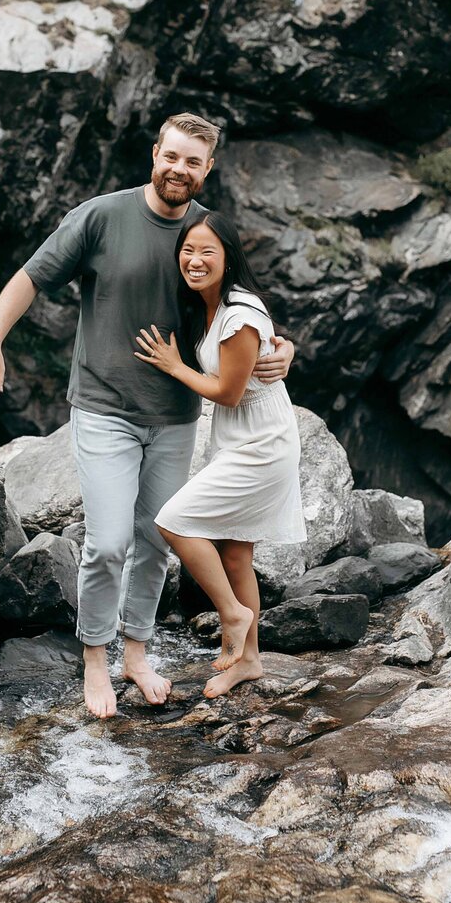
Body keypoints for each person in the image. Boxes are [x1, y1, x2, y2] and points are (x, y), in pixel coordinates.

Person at [0, 114, 294, 719]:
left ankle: (136, 654)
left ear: (206, 170)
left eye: (193, 162)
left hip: (175, 416)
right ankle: (95, 657)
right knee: (110, 542)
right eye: (172, 156)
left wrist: (281, 347)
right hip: (104, 410)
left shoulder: (203, 234)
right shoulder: (101, 216)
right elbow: (29, 278)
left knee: (154, 542)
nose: (179, 169)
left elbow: (240, 305)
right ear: (155, 154)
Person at [134, 212, 305, 698]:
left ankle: (232, 613)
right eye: (188, 251)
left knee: (174, 520)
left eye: (208, 251)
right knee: (235, 551)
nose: (195, 260)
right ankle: (249, 660)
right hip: (240, 437)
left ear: (229, 258)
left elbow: (228, 393)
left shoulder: (238, 313)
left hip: (262, 442)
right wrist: (285, 346)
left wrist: (173, 366)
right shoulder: (207, 305)